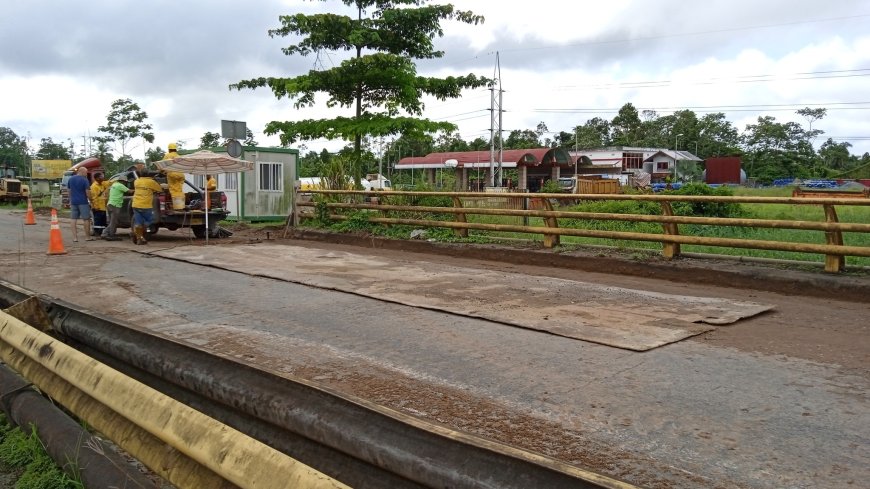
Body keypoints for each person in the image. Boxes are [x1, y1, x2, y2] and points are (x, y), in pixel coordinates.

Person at [130, 170, 164, 245]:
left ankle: (139, 237)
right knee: (150, 220)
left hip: (135, 204)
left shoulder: (137, 181)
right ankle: (137, 232)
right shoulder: (151, 182)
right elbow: (160, 189)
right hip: (145, 205)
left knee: (138, 222)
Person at [67, 167, 93, 242]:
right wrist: (91, 200)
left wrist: (70, 199)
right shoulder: (84, 180)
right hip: (83, 202)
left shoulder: (71, 179)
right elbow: (87, 192)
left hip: (74, 202)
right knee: (86, 219)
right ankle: (87, 237)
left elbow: (69, 190)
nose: (86, 174)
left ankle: (75, 238)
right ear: (81, 171)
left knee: (73, 219)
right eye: (86, 172)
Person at [102, 175, 131, 241]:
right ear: (123, 181)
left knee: (113, 221)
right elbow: (129, 191)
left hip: (110, 204)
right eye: (126, 182)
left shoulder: (114, 184)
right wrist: (139, 189)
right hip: (115, 205)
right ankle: (110, 234)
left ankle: (106, 233)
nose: (126, 183)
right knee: (114, 221)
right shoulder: (120, 185)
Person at [164, 143, 186, 210]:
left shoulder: (167, 156)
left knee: (174, 190)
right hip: (181, 175)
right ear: (176, 149)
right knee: (179, 189)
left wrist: (162, 171)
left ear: (169, 149)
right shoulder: (179, 156)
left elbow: (163, 165)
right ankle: (182, 205)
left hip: (172, 174)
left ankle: (178, 207)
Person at [89, 173, 111, 237]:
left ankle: (102, 233)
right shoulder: (94, 186)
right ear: (97, 178)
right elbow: (94, 198)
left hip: (103, 207)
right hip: (97, 207)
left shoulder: (102, 184)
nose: (103, 178)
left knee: (103, 221)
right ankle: (97, 234)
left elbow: (109, 182)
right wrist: (96, 207)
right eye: (101, 177)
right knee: (97, 221)